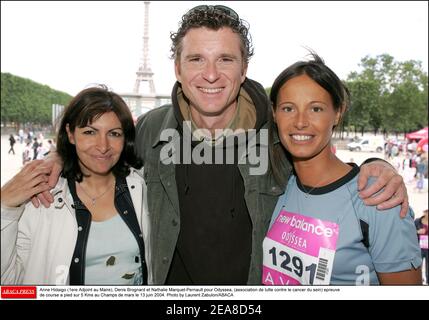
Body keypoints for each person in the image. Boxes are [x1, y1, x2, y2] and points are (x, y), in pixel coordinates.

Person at [25, 5, 407, 285]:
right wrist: (60, 155)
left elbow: (324, 168)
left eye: (225, 59)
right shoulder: (152, 129)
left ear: (244, 70)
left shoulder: (278, 134)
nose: (210, 74)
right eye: (196, 59)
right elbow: (101, 153)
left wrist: (378, 164)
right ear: (177, 69)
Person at [263, 53, 422, 285]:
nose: (300, 122)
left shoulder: (379, 198)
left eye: (315, 109)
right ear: (275, 113)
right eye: (288, 108)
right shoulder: (276, 185)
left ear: (338, 112)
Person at [1, 86, 150, 285]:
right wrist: (4, 208)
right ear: (70, 134)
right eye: (90, 132)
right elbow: (8, 283)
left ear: (125, 138)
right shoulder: (41, 198)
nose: (103, 146)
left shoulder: (143, 188)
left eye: (114, 134)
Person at [415, 209, 428, 284]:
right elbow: (409, 231)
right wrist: (417, 232)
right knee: (418, 265)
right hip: (419, 248)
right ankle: (418, 280)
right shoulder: (417, 221)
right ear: (424, 212)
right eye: (427, 211)